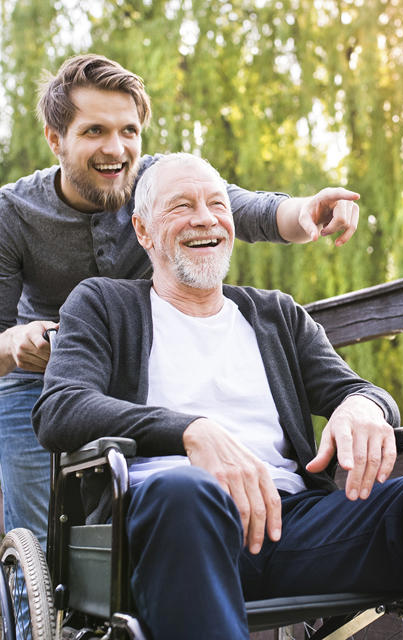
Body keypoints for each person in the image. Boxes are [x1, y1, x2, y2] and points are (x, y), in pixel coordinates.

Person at [33, 153, 403, 640]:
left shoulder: (277, 315)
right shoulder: (104, 304)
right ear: (144, 231)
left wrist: (364, 406)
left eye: (218, 204)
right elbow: (60, 408)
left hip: (290, 526)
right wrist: (191, 431)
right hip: (170, 523)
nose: (205, 218)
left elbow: (355, 388)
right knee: (187, 492)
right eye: (181, 206)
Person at [0, 54, 360, 548]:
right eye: (94, 132)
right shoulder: (13, 213)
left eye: (129, 131)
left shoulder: (159, 184)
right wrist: (15, 343)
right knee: (42, 540)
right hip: (36, 384)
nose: (116, 148)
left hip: (129, 373)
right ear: (54, 138)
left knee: (154, 495)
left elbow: (247, 209)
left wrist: (309, 212)